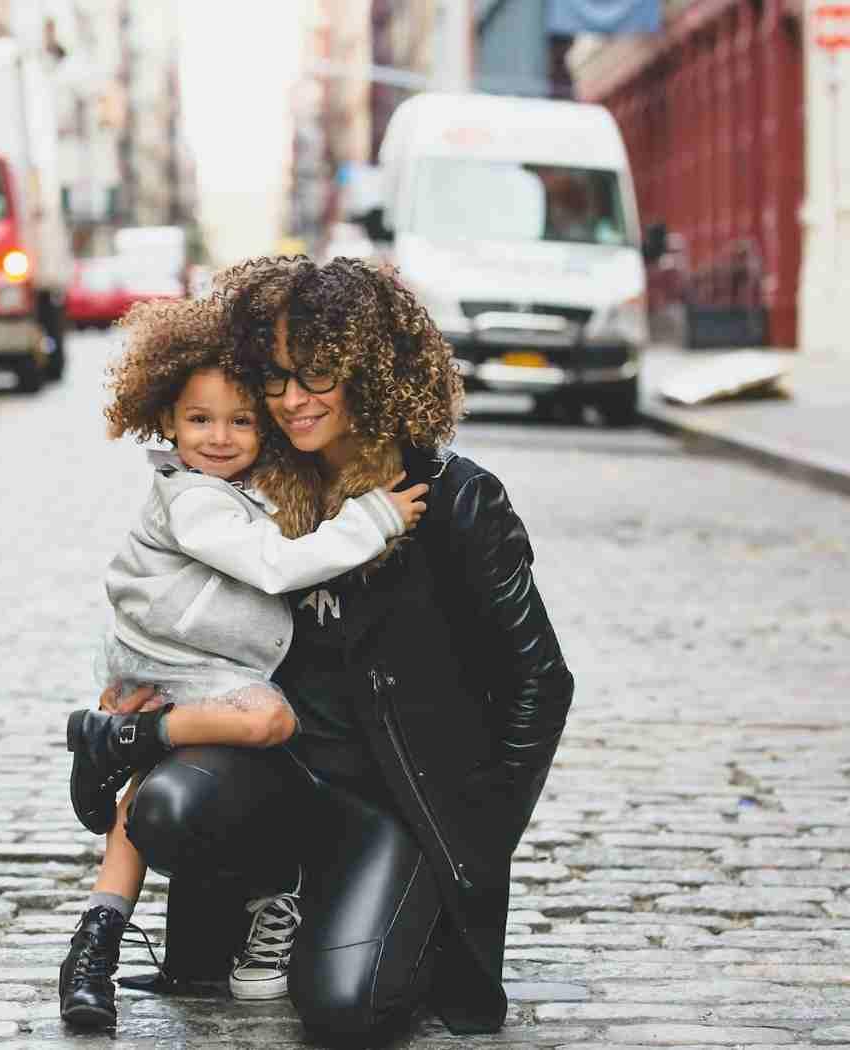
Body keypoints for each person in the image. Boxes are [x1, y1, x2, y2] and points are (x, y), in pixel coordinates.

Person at [119, 256, 575, 1045]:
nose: (293, 400)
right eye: (278, 378)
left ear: (371, 370)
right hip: (283, 775)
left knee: (344, 1011)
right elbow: (164, 594)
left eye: (319, 375)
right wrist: (136, 685)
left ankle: (392, 909)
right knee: (167, 808)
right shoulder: (258, 486)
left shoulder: (457, 499)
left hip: (394, 804)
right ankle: (279, 898)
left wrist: (475, 837)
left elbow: (542, 679)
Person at [58, 295, 429, 1029]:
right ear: (166, 420)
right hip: (188, 663)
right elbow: (271, 566)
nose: (221, 437)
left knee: (142, 791)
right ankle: (132, 743)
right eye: (200, 421)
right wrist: (375, 518)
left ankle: (93, 938)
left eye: (240, 420)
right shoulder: (192, 499)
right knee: (268, 718)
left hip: (185, 665)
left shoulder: (244, 487)